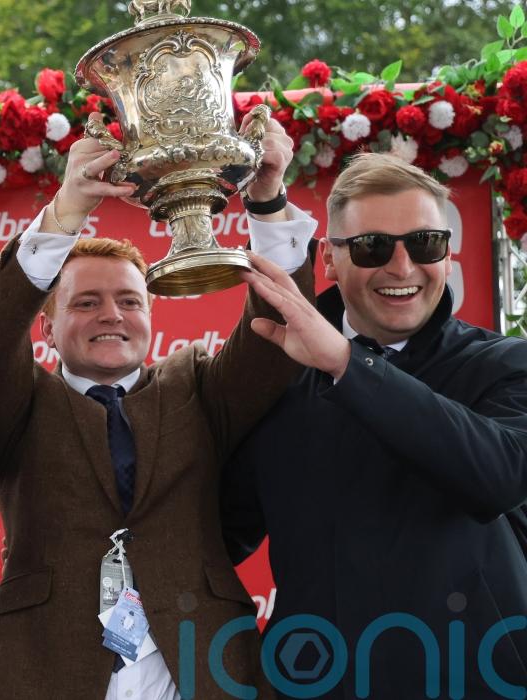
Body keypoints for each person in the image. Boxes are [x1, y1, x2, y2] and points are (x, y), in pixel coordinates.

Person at [0, 114, 318, 699]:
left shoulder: (196, 386)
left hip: (199, 667)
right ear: (47, 327)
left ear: (151, 316)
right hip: (44, 669)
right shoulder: (20, 400)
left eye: (129, 300)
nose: (111, 315)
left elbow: (274, 334)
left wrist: (268, 200)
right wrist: (67, 212)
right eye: (87, 302)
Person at [221, 153, 527, 697]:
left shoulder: (504, 363)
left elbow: (498, 476)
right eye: (372, 247)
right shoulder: (278, 380)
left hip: (477, 679)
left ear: (448, 254)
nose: (402, 268)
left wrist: (346, 364)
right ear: (329, 259)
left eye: (425, 243)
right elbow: (220, 531)